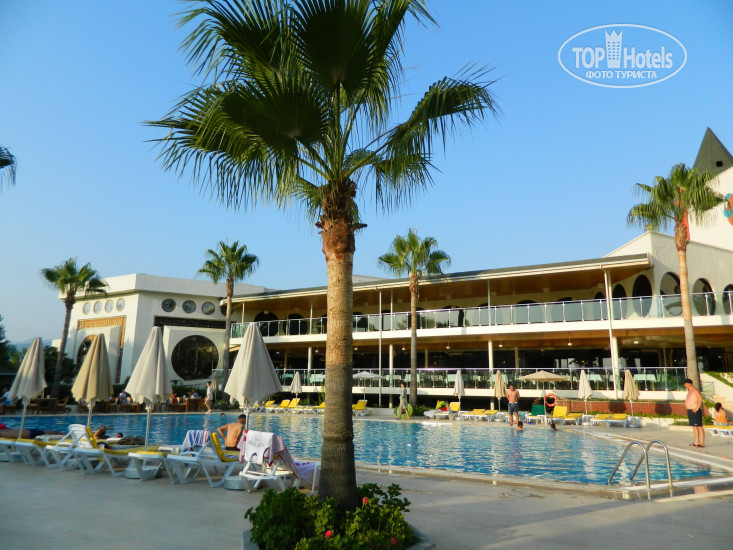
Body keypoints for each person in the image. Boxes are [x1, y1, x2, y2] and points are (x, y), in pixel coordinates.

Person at [684, 378, 705, 448]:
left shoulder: (695, 390)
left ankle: (702, 442)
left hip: (695, 410)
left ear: (689, 384)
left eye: (685, 384)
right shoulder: (689, 391)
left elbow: (700, 399)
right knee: (694, 426)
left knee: (699, 427)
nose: (684, 385)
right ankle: (696, 441)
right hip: (690, 410)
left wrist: (697, 408)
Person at [0, 427, 64, 439]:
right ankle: (66, 436)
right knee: (51, 433)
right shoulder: (3, 432)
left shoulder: (2, 433)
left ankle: (65, 435)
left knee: (52, 433)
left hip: (27, 433)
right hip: (28, 433)